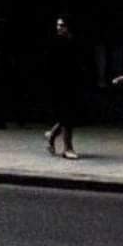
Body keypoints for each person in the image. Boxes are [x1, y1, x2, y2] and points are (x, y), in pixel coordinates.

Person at [44, 16, 84, 160]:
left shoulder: (74, 41)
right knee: (67, 116)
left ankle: (52, 135)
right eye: (58, 25)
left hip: (72, 83)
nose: (59, 28)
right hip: (60, 84)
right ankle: (68, 148)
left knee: (68, 115)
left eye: (62, 25)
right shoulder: (56, 43)